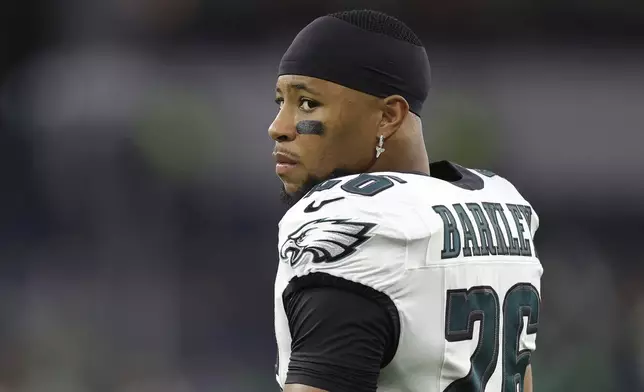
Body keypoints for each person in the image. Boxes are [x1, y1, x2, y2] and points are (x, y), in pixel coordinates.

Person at [269, 9, 542, 392]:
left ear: (388, 117)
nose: (278, 127)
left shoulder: (358, 222)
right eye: (279, 101)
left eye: (308, 104)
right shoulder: (502, 208)